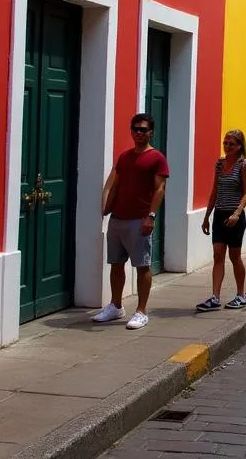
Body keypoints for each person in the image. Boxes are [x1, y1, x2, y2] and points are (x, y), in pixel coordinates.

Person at [92, 113, 170, 329]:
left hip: (140, 220)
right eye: (135, 129)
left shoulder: (157, 158)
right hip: (118, 218)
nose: (139, 133)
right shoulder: (124, 157)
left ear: (151, 132)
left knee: (142, 266)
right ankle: (115, 306)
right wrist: (106, 207)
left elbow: (160, 189)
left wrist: (151, 217)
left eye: (143, 129)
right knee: (116, 265)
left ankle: (141, 311)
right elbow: (114, 183)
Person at [196, 130, 246, 311]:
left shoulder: (244, 165)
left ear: (239, 146)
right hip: (220, 214)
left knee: (234, 256)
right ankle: (215, 296)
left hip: (235, 216)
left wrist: (237, 213)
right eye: (225, 143)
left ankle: (241, 294)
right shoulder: (220, 164)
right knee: (217, 255)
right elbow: (215, 191)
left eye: (231, 144)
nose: (227, 147)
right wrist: (206, 217)